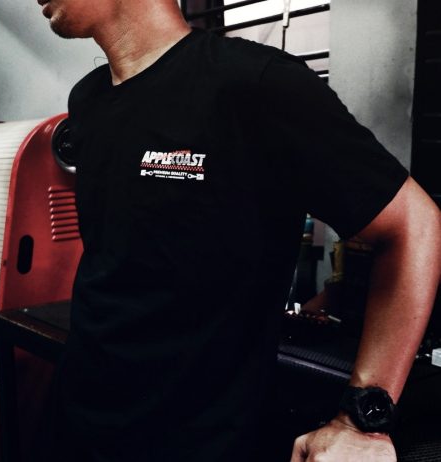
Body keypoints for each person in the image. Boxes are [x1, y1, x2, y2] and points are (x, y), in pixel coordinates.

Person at [36, 0, 441, 461]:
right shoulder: (87, 100)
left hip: (196, 442)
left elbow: (414, 223)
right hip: (77, 420)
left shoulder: (256, 83)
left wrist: (361, 423)